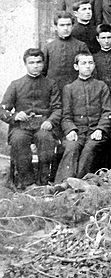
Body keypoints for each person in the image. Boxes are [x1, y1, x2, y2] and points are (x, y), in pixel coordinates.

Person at [1, 49, 62, 188]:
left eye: (39, 62)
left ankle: (43, 181)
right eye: (32, 63)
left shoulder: (51, 84)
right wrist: (15, 116)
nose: (36, 66)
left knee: (45, 139)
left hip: (43, 125)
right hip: (22, 126)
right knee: (18, 139)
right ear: (25, 64)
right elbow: (2, 109)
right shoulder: (16, 84)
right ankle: (28, 183)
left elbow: (58, 108)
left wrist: (50, 121)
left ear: (43, 64)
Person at [55, 52, 111, 182]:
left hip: (96, 131)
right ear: (76, 67)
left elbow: (107, 112)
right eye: (83, 63)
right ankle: (63, 184)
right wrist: (70, 130)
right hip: (77, 131)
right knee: (71, 147)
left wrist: (100, 129)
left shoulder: (101, 86)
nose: (87, 66)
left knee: (90, 149)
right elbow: (66, 115)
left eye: (90, 63)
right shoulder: (69, 88)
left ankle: (79, 183)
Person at [42, 11, 89, 91]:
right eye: (62, 25)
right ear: (55, 27)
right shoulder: (48, 47)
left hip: (76, 90)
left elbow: (87, 69)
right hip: (54, 91)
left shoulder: (81, 46)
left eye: (68, 25)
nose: (65, 28)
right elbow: (42, 72)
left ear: (73, 26)